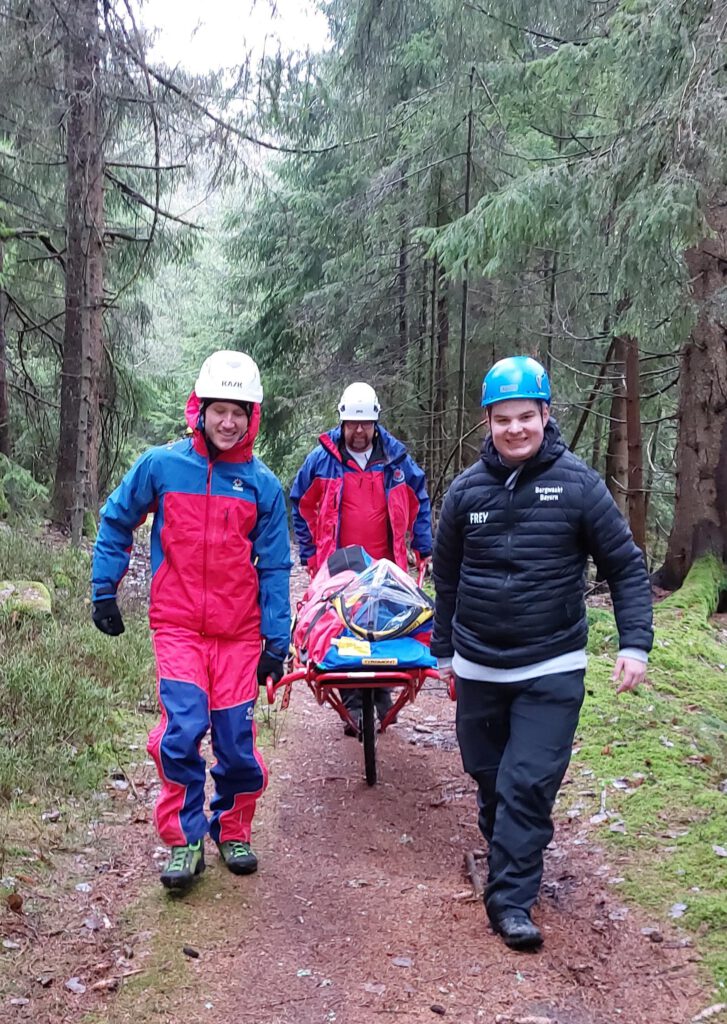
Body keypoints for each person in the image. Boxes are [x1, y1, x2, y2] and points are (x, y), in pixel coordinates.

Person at [432, 355, 653, 951]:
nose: (516, 429)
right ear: (488, 422)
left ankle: (511, 901)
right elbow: (445, 577)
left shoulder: (578, 486)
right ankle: (507, 854)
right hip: (479, 664)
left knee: (527, 783)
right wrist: (445, 652)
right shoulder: (464, 492)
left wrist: (635, 643)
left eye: (526, 416)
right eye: (503, 419)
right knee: (490, 779)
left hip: (551, 665)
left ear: (546, 414)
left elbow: (626, 569)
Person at [91, 350, 291, 892]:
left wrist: (278, 640)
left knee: (235, 741)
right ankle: (185, 840)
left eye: (239, 412)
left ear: (254, 417)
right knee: (180, 731)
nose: (228, 422)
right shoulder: (161, 465)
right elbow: (116, 519)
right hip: (177, 626)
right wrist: (102, 589)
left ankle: (234, 827)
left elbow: (274, 567)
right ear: (197, 409)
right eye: (218, 409)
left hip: (239, 635)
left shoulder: (263, 487)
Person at [290, 382, 433, 732]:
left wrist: (423, 545)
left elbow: (419, 499)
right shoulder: (322, 460)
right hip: (340, 567)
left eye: (365, 424)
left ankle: (381, 694)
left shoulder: (396, 458)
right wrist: (310, 554)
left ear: (375, 422)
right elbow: (300, 504)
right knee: (343, 632)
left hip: (386, 563)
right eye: (352, 424)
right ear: (342, 422)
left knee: (385, 630)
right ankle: (354, 701)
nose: (358, 431)